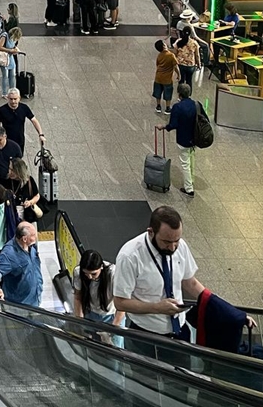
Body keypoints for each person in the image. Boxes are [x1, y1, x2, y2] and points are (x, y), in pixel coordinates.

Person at [113, 206, 205, 340]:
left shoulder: (181, 247)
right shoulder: (130, 256)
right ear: (151, 232)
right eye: (167, 242)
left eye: (176, 241)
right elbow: (120, 302)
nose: (173, 247)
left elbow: (190, 282)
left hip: (180, 329)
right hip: (145, 335)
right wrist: (157, 308)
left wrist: (224, 309)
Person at [0, 222, 42, 307]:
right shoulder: (9, 254)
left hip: (35, 301)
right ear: (24, 239)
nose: (36, 237)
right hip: (18, 307)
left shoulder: (31, 246)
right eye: (33, 235)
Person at [163, 83, 198, 197]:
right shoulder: (196, 104)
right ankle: (191, 180)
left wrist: (164, 127)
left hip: (183, 139)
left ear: (179, 94)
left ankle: (189, 188)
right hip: (195, 138)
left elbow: (173, 124)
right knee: (191, 159)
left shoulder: (177, 107)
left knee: (185, 164)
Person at [74, 249, 124, 327]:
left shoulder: (114, 274)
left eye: (93, 274)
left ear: (101, 267)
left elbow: (122, 304)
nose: (89, 277)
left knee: (114, 339)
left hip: (112, 315)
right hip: (90, 313)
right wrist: (80, 319)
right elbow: (78, 297)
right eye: (86, 273)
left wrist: (115, 326)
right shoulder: (78, 272)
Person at [0, 88, 44, 154]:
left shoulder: (24, 108)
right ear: (7, 98)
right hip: (6, 141)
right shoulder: (2, 110)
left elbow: (34, 120)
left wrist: (41, 134)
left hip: (20, 140)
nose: (13, 101)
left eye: (15, 99)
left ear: (19, 98)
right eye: (11, 99)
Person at [7, 158, 41, 223]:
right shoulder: (6, 181)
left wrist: (30, 202)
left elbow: (37, 196)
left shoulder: (29, 181)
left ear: (19, 171)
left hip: (28, 217)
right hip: (12, 217)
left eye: (12, 170)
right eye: (9, 168)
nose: (10, 172)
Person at [153, 39, 178, 114]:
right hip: (167, 79)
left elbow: (157, 65)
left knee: (158, 92)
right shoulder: (171, 55)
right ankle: (167, 108)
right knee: (168, 92)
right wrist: (179, 75)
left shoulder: (159, 55)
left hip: (158, 77)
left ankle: (158, 106)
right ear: (164, 46)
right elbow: (176, 67)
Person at [0, 26, 21, 96]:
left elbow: (13, 46)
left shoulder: (13, 39)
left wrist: (15, 49)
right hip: (3, 58)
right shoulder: (4, 36)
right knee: (5, 76)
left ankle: (12, 90)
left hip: (10, 57)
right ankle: (4, 93)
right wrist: (10, 50)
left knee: (12, 75)